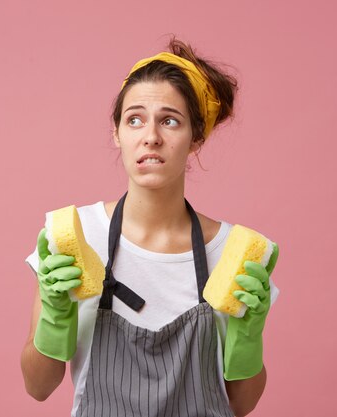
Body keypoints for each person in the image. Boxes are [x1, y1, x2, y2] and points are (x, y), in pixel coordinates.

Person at [20, 36, 280, 417]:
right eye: (135, 119)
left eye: (170, 121)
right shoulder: (76, 236)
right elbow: (38, 387)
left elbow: (241, 405)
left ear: (195, 138)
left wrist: (249, 336)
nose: (151, 137)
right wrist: (54, 318)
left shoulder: (233, 253)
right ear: (117, 133)